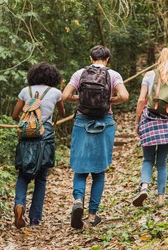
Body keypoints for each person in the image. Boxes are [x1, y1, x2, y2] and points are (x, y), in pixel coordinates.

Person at [62, 45, 129, 229]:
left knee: (80, 168)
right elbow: (124, 95)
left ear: (90, 58)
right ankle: (92, 215)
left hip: (82, 121)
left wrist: (80, 98)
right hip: (104, 122)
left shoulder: (79, 73)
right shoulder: (113, 74)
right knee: (99, 171)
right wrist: (109, 100)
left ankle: (77, 200)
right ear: (107, 59)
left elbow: (65, 95)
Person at [133, 47, 168, 207]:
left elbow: (141, 100)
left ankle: (144, 187)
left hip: (149, 120)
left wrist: (137, 121)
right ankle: (161, 199)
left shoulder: (150, 75)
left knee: (148, 159)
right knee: (162, 162)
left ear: (158, 61)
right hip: (167, 123)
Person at [12, 62, 65, 228]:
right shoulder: (56, 92)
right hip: (45, 135)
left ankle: (19, 205)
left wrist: (28, 122)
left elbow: (15, 115)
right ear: (53, 77)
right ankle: (35, 218)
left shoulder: (25, 91)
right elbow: (62, 113)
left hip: (27, 135)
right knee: (41, 177)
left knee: (23, 174)